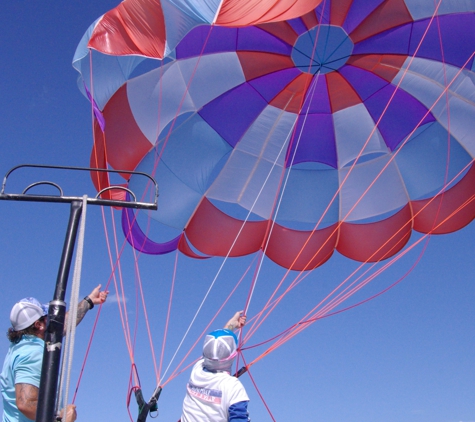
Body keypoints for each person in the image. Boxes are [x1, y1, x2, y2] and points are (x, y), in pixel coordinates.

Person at [0, 284, 109, 422]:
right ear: (39, 325)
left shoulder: (20, 346)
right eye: (47, 317)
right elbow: (25, 403)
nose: (52, 319)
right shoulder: (33, 353)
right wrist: (60, 418)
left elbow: (61, 326)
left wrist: (88, 302)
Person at [181, 311, 250, 422]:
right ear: (232, 356)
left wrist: (231, 325)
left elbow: (216, 347)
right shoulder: (233, 387)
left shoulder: (197, 369)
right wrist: (231, 325)